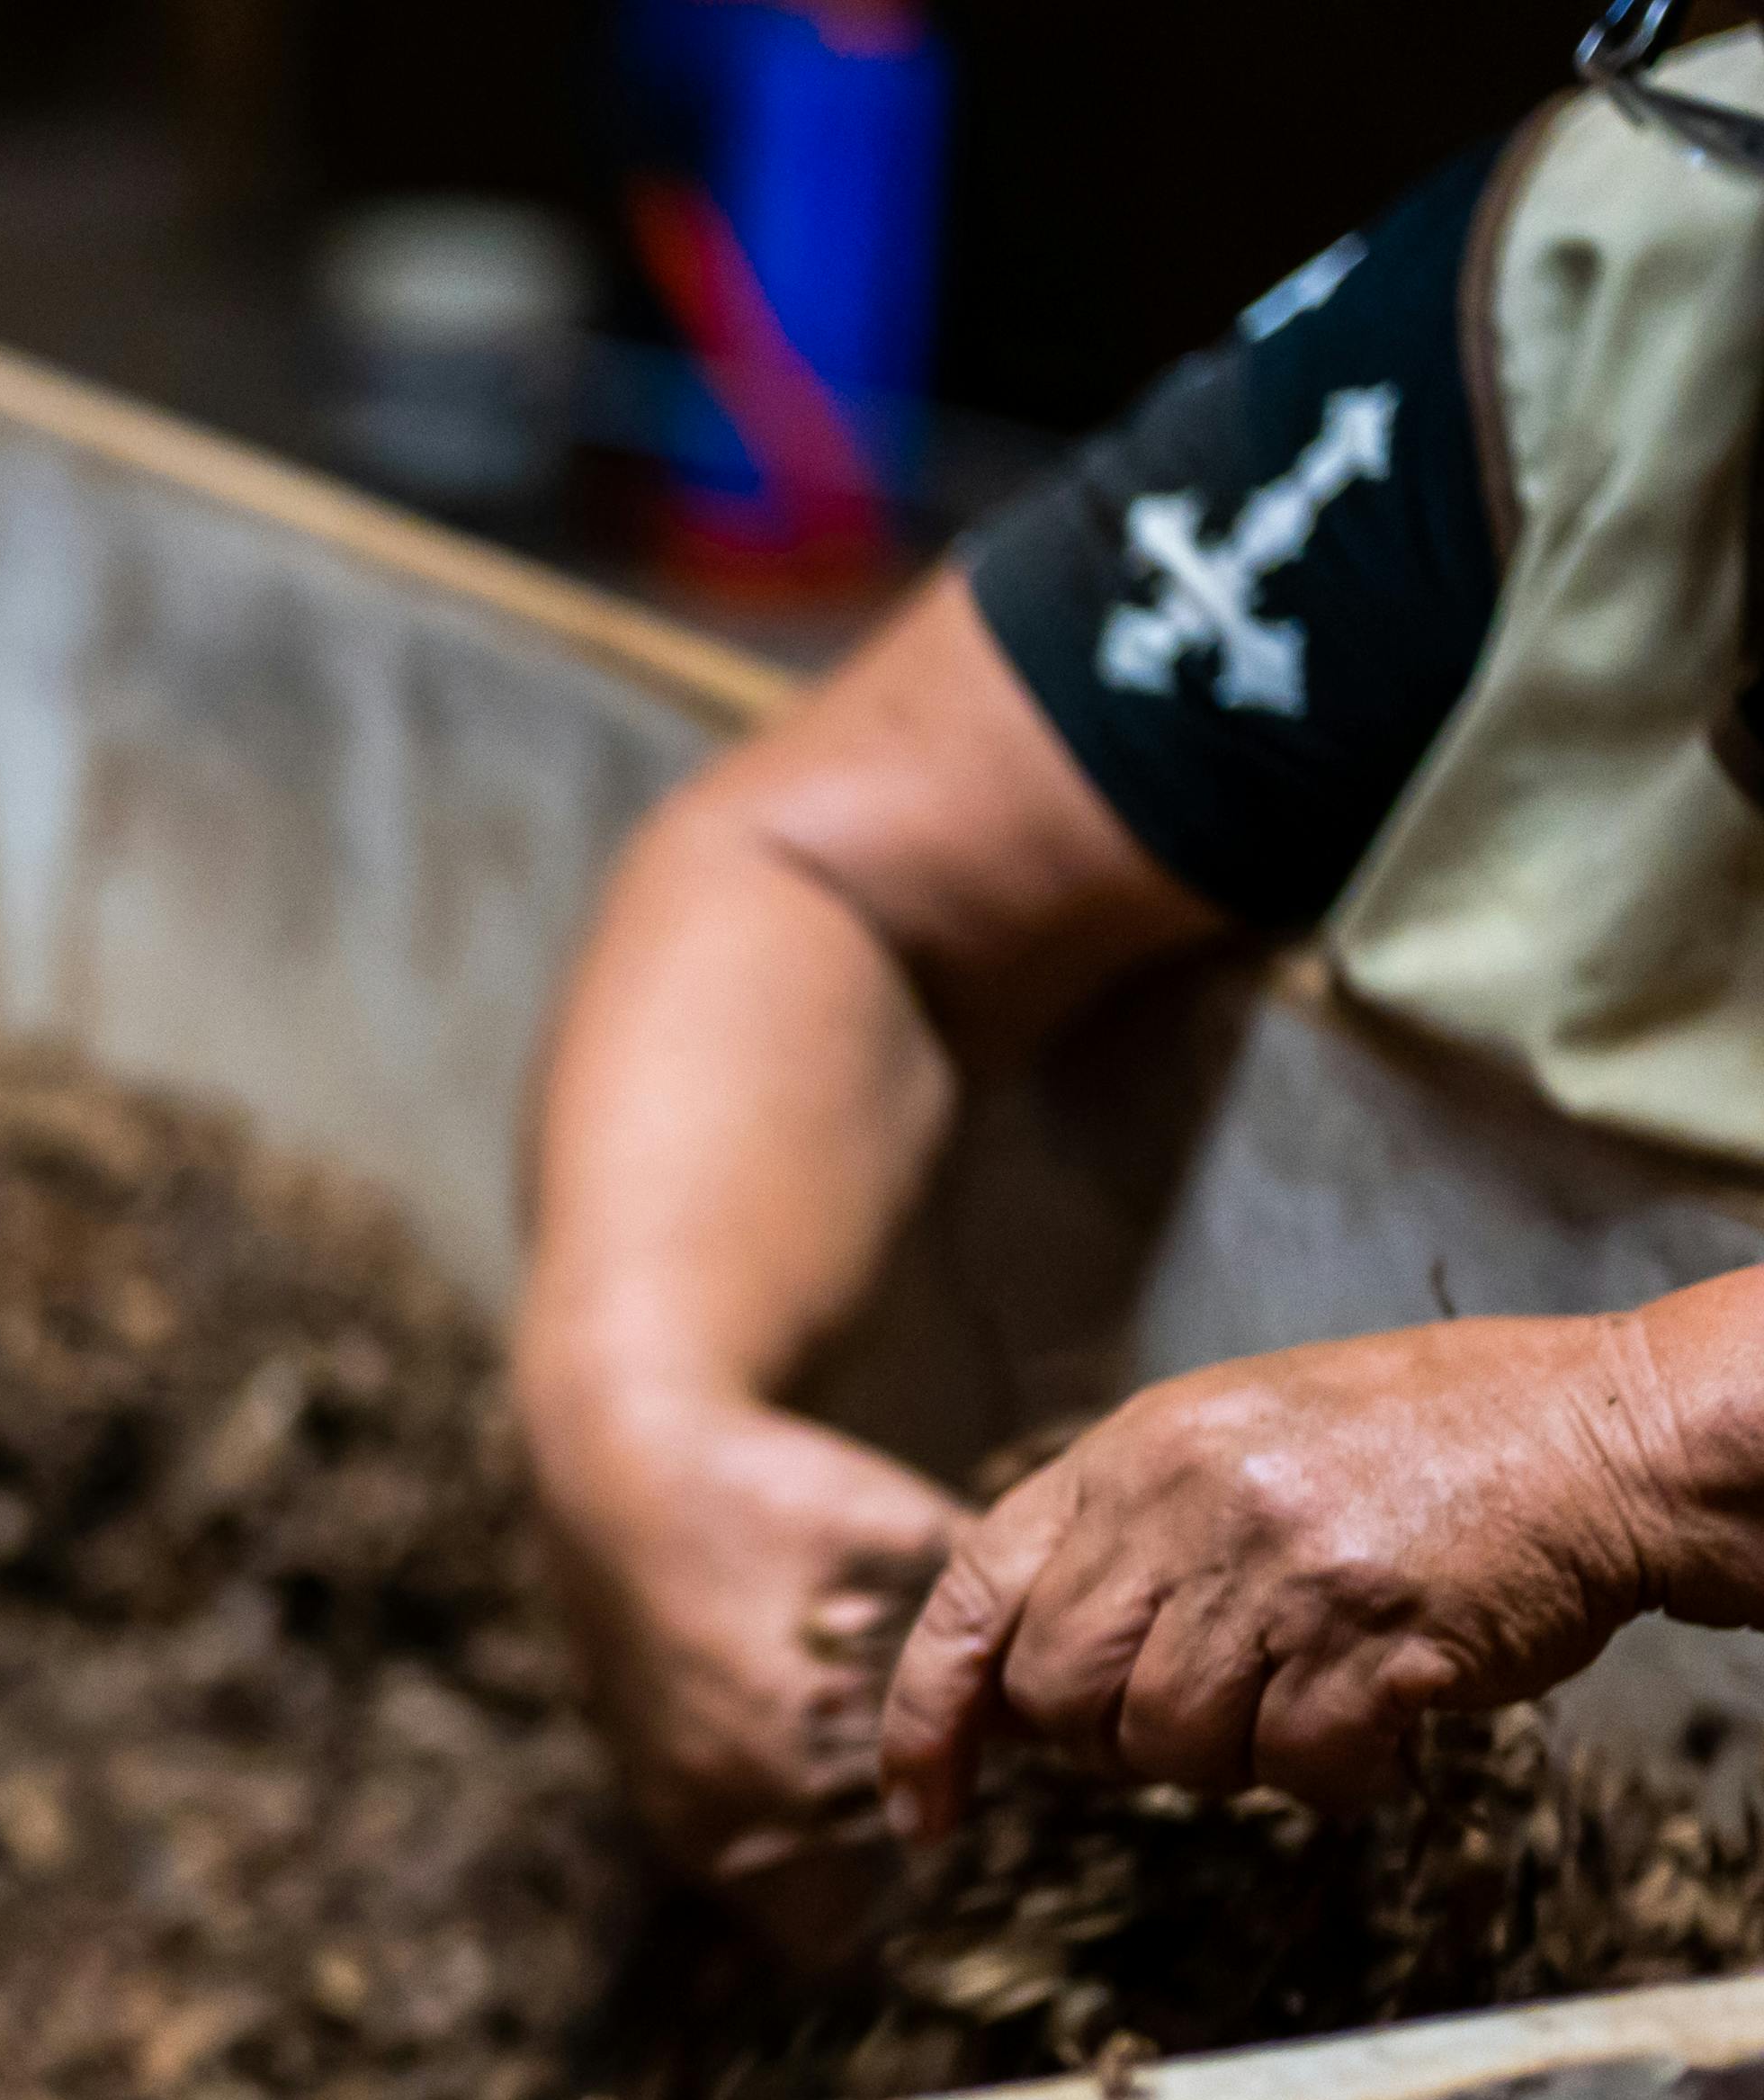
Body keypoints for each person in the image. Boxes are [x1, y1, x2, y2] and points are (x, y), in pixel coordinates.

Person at [522, 6, 1764, 1922]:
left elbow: (1625, 1441)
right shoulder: (1658, 257)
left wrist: (1620, 1435)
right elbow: (816, 873)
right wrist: (635, 1413)